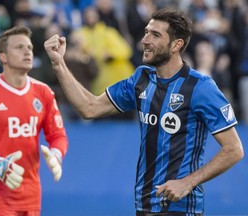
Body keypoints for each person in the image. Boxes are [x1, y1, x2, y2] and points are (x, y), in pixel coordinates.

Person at [44, 8, 244, 215]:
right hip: (145, 204)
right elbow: (90, 107)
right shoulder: (141, 79)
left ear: (177, 45)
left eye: (155, 35)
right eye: (147, 32)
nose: (145, 40)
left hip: (181, 206)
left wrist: (186, 183)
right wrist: (59, 63)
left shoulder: (200, 87)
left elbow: (234, 149)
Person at [0, 26, 68, 216]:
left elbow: (57, 135)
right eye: (19, 47)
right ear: (3, 57)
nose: (27, 51)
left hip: (31, 195)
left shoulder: (43, 92)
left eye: (30, 47)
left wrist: (57, 154)